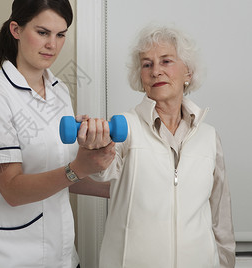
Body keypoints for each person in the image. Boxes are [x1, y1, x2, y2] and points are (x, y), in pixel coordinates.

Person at [0, 0, 116, 268]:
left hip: (60, 253)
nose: (52, 44)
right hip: (5, 256)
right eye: (42, 32)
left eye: (60, 35)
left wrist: (115, 188)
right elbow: (13, 190)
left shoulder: (59, 92)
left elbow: (60, 174)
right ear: (16, 30)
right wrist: (79, 167)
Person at [93, 24, 236, 267]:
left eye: (166, 61)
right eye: (147, 64)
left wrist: (225, 262)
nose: (156, 71)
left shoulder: (209, 137)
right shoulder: (124, 127)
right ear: (140, 75)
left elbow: (220, 219)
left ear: (188, 72)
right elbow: (100, 171)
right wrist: (94, 147)